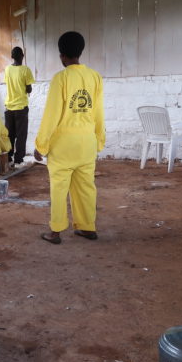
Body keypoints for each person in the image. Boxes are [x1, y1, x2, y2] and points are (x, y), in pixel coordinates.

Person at [34, 32, 105, 244]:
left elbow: (52, 115)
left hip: (63, 145)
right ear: (80, 52)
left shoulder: (61, 78)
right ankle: (87, 227)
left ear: (62, 55)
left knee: (59, 187)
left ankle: (55, 232)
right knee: (86, 187)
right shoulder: (95, 77)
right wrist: (99, 140)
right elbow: (98, 112)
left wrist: (41, 144)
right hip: (86, 143)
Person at [4, 47, 35, 166]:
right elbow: (28, 88)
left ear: (12, 57)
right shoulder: (25, 70)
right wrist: (28, 88)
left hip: (9, 107)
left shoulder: (7, 69)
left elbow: (9, 84)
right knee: (21, 134)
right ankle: (18, 159)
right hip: (21, 107)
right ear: (22, 56)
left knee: (9, 134)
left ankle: (8, 156)